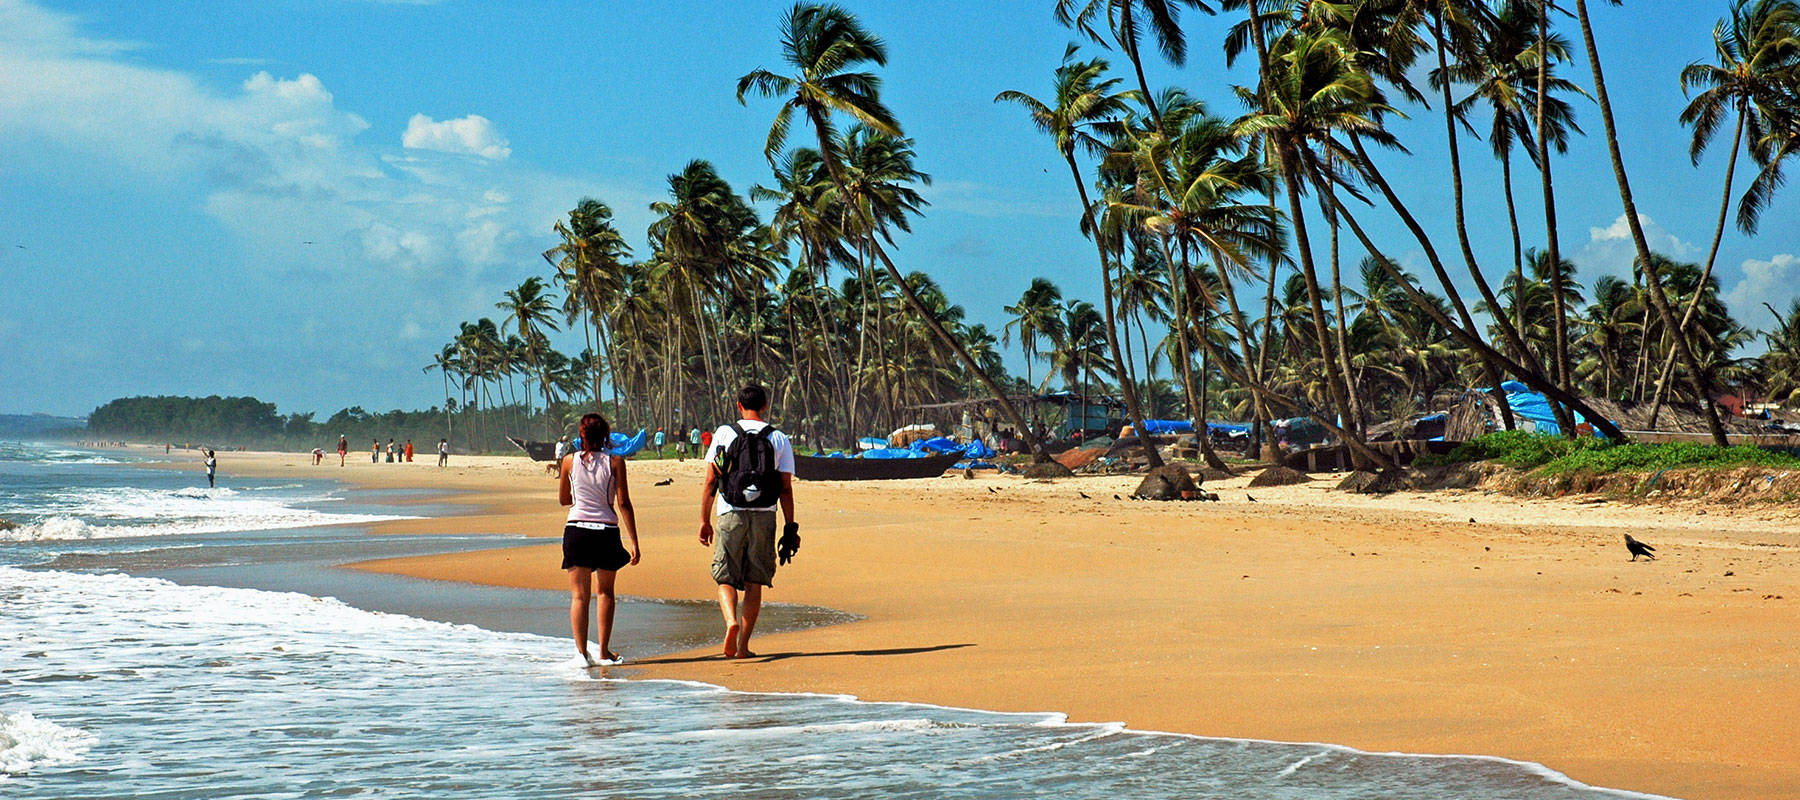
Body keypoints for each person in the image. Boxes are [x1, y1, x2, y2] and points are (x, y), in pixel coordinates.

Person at [699, 384, 797, 659]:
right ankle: (742, 647)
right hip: (765, 515)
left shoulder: (725, 433)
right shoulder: (779, 438)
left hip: (730, 512)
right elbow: (786, 489)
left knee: (725, 576)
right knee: (754, 581)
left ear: (738, 405)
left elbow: (711, 480)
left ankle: (730, 621)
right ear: (765, 406)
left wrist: (704, 520)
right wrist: (790, 526)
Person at [559, 413, 640, 667]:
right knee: (605, 593)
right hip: (606, 530)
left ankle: (582, 653)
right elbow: (624, 502)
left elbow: (564, 499)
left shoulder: (569, 461)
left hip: (576, 529)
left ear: (581, 435)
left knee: (579, 596)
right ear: (606, 435)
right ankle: (604, 652)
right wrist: (635, 541)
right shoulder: (615, 461)